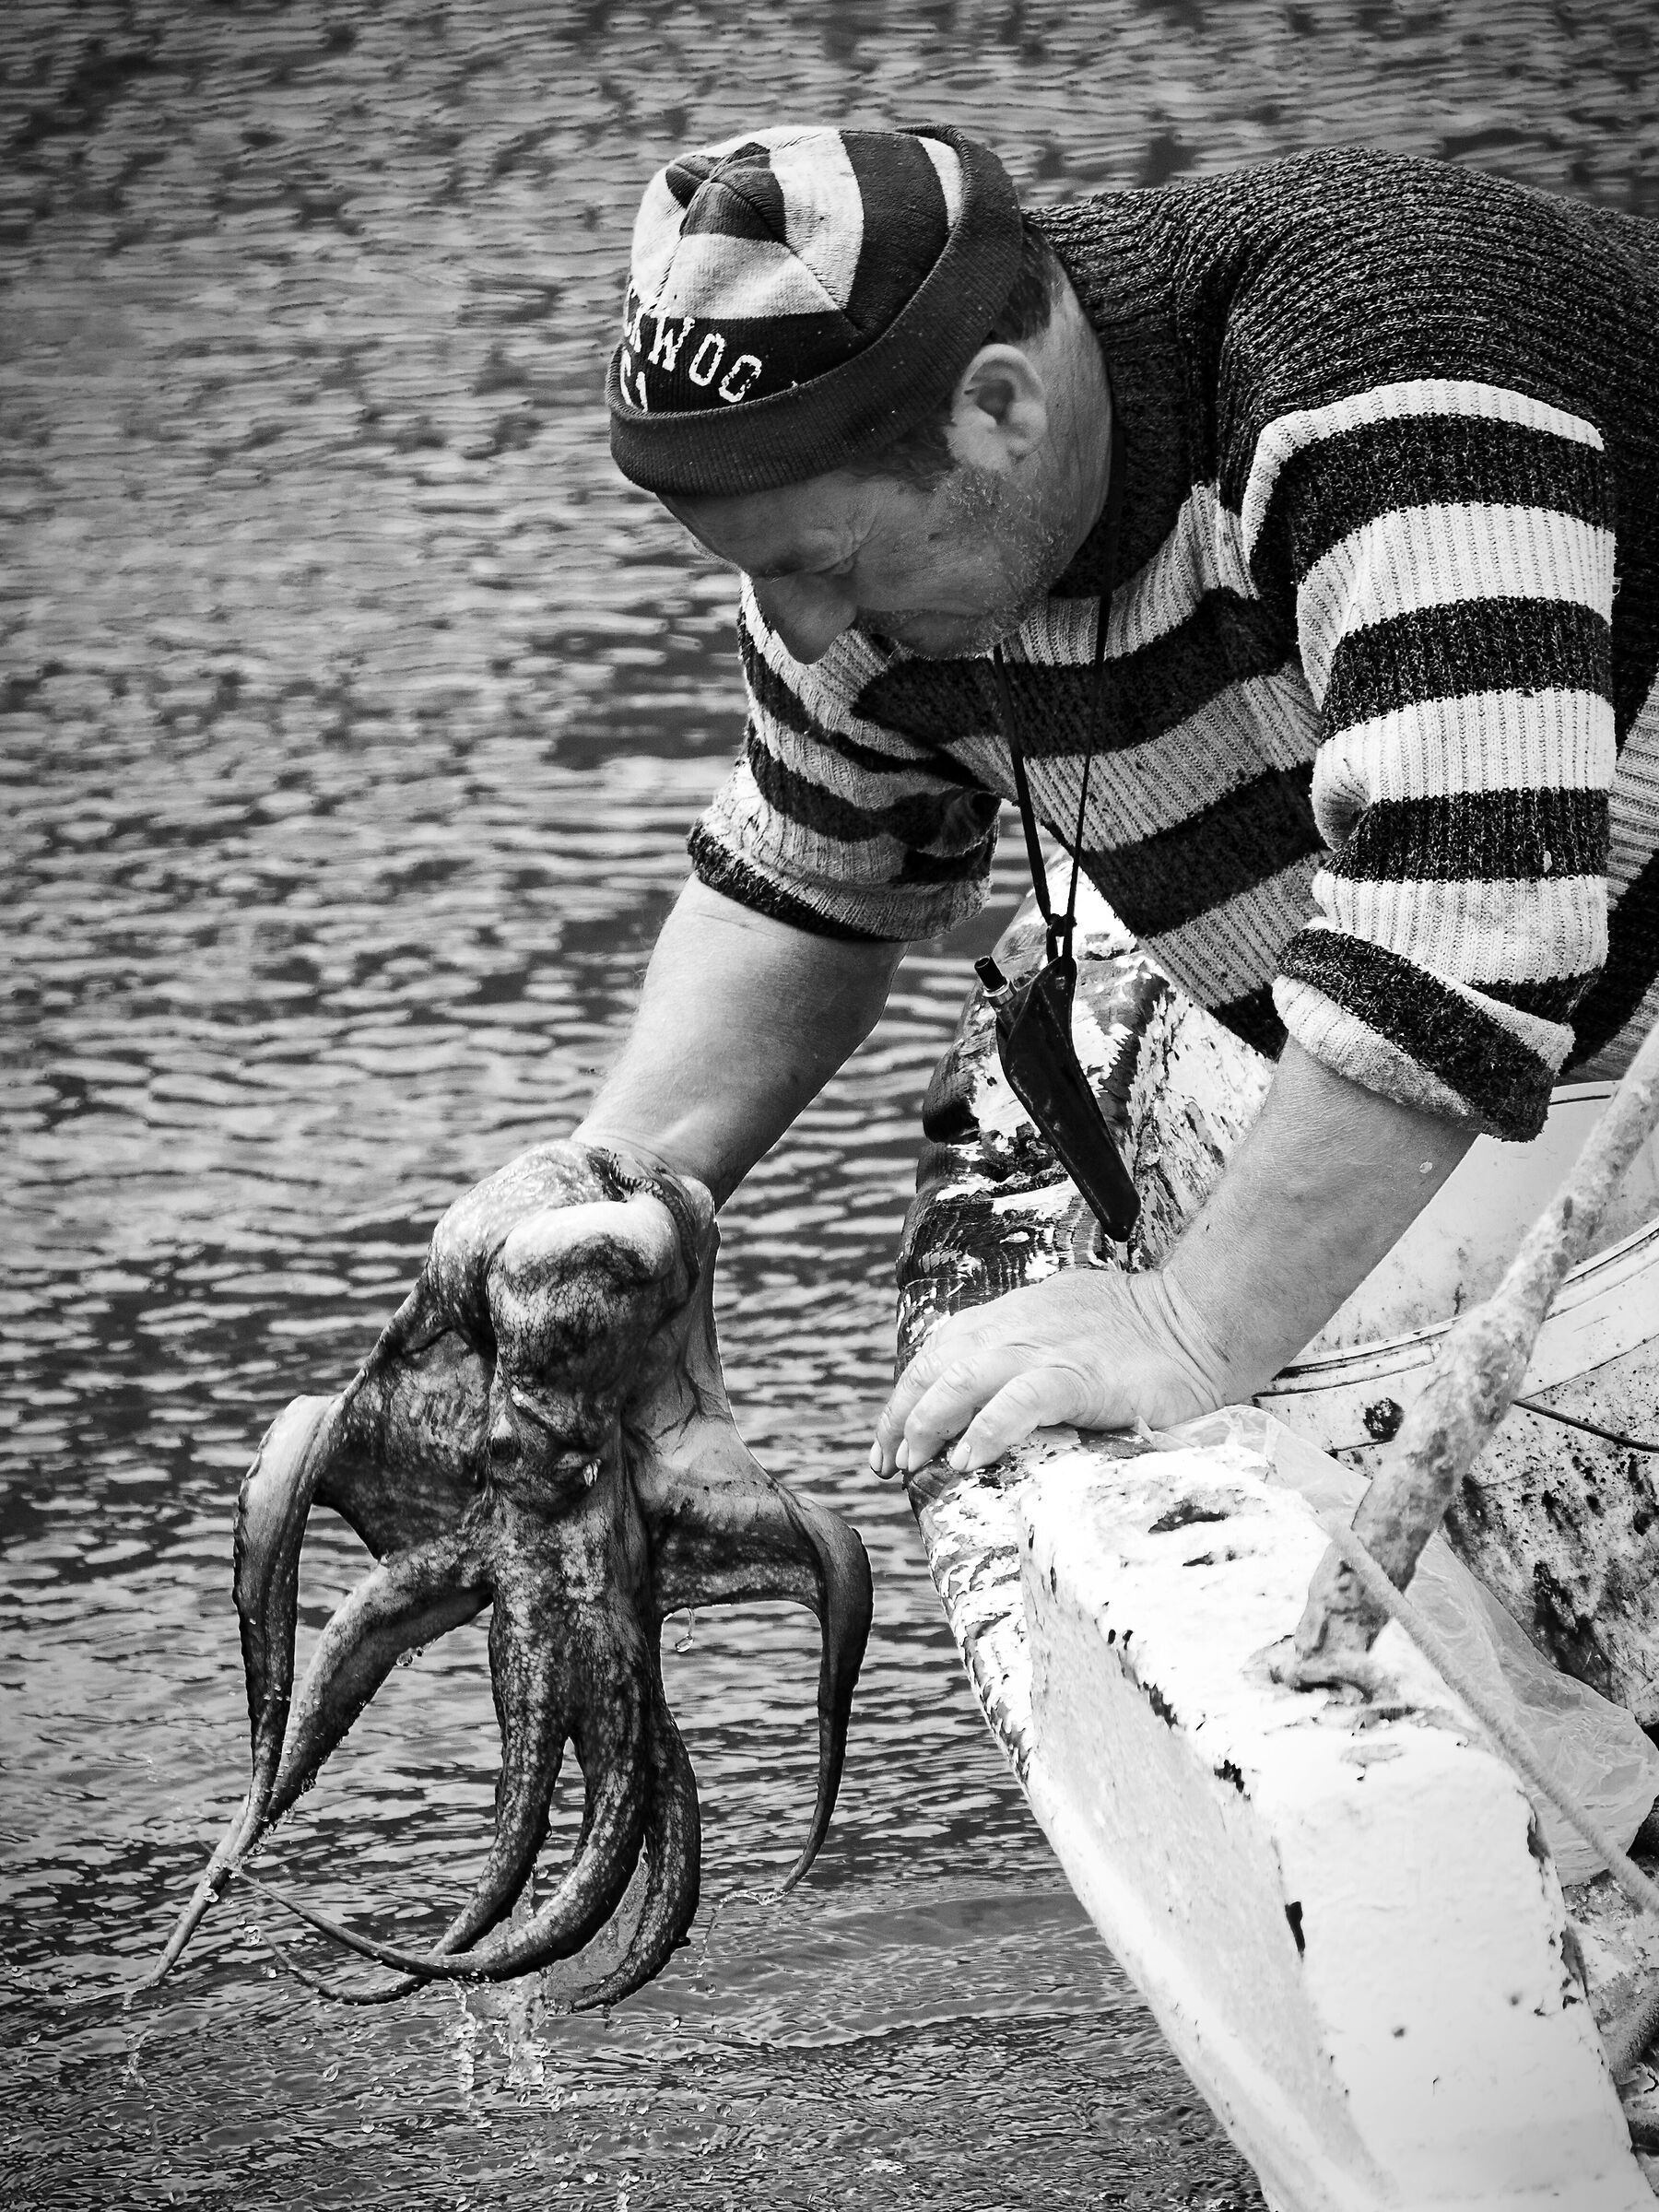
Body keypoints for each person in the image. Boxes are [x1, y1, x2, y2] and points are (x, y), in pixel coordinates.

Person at [572, 123, 1659, 1482]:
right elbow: (809, 874)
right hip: (1559, 1112)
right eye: (754, 570)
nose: (797, 633)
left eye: (827, 562)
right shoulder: (882, 540)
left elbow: (1470, 927)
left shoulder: (1389, 367)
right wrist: (607, 1211)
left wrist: (1184, 1328)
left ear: (1001, 406)